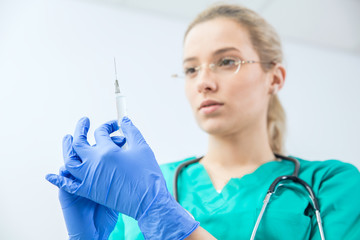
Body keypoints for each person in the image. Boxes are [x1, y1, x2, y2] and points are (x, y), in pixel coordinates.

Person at [46, 4, 360, 240]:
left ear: (274, 78)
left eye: (226, 61)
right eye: (191, 69)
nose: (203, 82)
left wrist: (164, 217)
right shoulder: (151, 184)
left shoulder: (329, 184)